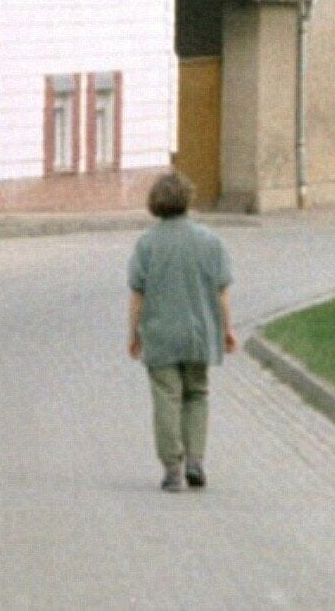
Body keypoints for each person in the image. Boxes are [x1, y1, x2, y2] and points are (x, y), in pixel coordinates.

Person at [125, 170, 236, 492]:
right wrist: (226, 329)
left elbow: (137, 295)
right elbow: (221, 292)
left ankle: (172, 468)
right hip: (199, 332)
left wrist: (133, 334)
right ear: (188, 199)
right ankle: (195, 460)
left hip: (160, 334)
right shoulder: (210, 242)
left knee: (166, 398)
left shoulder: (147, 244)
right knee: (197, 394)